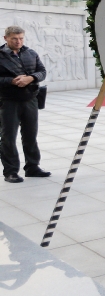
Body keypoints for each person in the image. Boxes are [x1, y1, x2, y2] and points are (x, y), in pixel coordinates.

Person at [0, 26, 48, 182]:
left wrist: (31, 78)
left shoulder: (31, 53)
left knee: (30, 135)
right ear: (5, 38)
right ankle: (10, 171)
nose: (18, 41)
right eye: (14, 38)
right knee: (8, 137)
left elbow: (42, 71)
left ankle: (32, 167)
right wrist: (11, 81)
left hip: (30, 99)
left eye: (21, 38)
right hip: (8, 101)